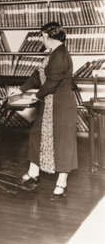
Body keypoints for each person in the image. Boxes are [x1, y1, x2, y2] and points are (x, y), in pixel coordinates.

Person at [10, 22, 78, 201]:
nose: (41, 39)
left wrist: (36, 96)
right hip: (50, 103)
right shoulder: (52, 54)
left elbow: (52, 83)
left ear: (49, 37)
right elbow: (37, 75)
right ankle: (33, 173)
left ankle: (61, 184)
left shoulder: (61, 55)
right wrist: (21, 89)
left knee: (63, 143)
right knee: (36, 133)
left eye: (42, 36)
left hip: (61, 105)